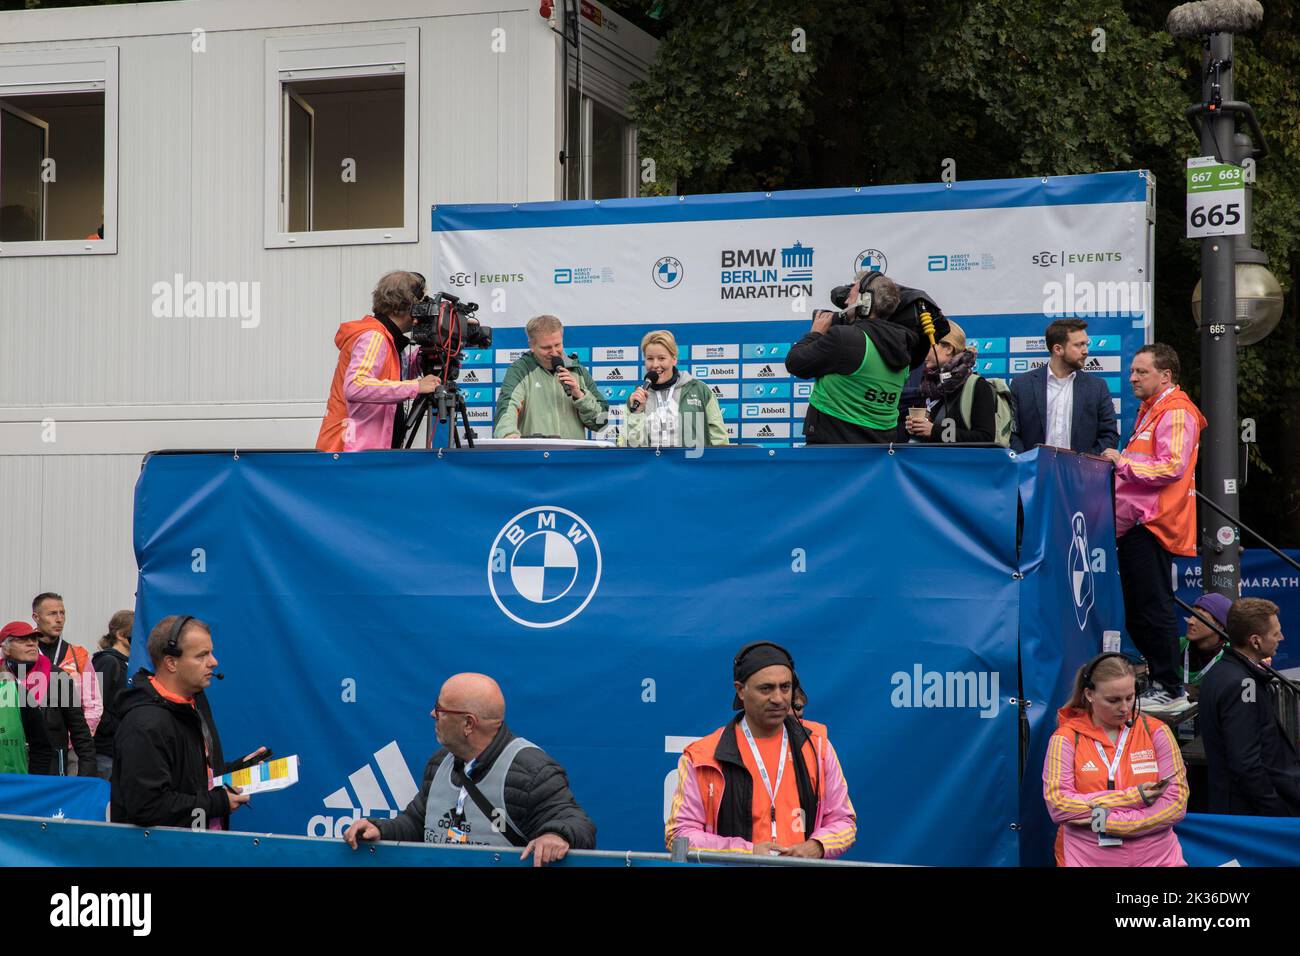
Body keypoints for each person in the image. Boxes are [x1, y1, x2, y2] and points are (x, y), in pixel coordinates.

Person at [343, 673, 596, 866]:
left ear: (468, 723)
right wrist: (380, 829)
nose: (432, 714)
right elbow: (417, 823)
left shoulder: (531, 771)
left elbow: (577, 823)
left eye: (440, 709)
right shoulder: (439, 762)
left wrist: (555, 835)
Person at [665, 642, 856, 857]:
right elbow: (679, 835)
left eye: (785, 687)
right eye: (766, 688)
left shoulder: (817, 746)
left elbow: (844, 821)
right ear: (740, 690)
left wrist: (818, 846)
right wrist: (747, 852)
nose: (778, 698)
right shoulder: (703, 755)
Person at [1101, 345, 1206, 716]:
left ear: (1166, 375)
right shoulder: (1152, 411)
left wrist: (1122, 461)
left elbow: (1173, 467)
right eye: (1131, 371)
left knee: (1154, 606)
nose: (1132, 377)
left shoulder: (1177, 411)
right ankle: (1162, 681)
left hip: (1154, 522)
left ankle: (1170, 686)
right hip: (1135, 522)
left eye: (1141, 371)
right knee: (1137, 610)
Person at [111, 615, 267, 828]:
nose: (214, 662)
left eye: (210, 652)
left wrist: (236, 771)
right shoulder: (145, 723)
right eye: (202, 655)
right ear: (171, 662)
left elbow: (190, 777)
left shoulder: (195, 701)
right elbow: (147, 808)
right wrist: (219, 802)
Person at [1043, 653, 1187, 866]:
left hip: (1157, 859)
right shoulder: (1065, 738)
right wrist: (1132, 797)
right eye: (1113, 700)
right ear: (1089, 694)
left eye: (1130, 697)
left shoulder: (1157, 731)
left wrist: (1111, 822)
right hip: (1088, 859)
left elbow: (1176, 803)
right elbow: (1059, 805)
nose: (1124, 708)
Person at [787, 271, 944, 444]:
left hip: (833, 449)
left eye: (851, 296)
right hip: (878, 450)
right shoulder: (906, 345)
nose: (846, 302)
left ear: (866, 302)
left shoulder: (845, 339)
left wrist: (815, 333)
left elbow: (795, 363)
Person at [316, 271, 441, 452]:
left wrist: (439, 346)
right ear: (407, 305)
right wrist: (415, 387)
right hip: (350, 451)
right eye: (420, 303)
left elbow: (394, 379)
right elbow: (356, 385)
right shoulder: (374, 336)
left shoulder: (389, 338)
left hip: (365, 451)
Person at [1199, 598, 1300, 816]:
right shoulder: (1242, 684)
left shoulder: (1222, 672)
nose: (1281, 638)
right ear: (1255, 641)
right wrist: (1278, 811)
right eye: (1275, 634)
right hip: (1250, 814)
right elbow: (1246, 764)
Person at [1010, 318, 1119, 454]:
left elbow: (1109, 435)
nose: (1086, 351)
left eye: (1086, 344)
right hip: (1033, 472)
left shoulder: (1097, 387)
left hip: (1081, 473)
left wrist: (1083, 465)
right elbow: (1011, 434)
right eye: (1079, 345)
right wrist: (1027, 463)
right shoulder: (1021, 385)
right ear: (1058, 349)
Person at [493, 315, 608, 439]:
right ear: (531, 345)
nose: (553, 352)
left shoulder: (578, 371)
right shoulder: (520, 370)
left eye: (557, 345)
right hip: (534, 455)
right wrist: (508, 434)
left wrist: (579, 395)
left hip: (573, 457)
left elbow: (602, 422)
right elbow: (508, 407)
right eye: (546, 347)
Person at [619, 329, 728, 448]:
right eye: (650, 358)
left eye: (661, 358)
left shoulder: (699, 390)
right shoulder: (636, 397)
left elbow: (720, 441)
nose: (655, 365)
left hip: (691, 465)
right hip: (651, 466)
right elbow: (628, 446)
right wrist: (637, 413)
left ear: (674, 359)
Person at [901, 320, 997, 443]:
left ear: (948, 348)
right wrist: (912, 428)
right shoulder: (926, 382)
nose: (922, 351)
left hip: (958, 462)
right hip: (925, 461)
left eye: (928, 346)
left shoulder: (977, 386)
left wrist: (934, 431)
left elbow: (985, 438)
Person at [32, 592, 102, 738]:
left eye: (62, 613)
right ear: (36, 617)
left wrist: (78, 737)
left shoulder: (78, 655)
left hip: (69, 743)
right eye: (52, 614)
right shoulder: (19, 653)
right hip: (29, 742)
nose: (59, 619)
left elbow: (93, 704)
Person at [0, 622, 54, 775]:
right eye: (23, 640)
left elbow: (42, 746)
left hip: (19, 777)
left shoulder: (56, 676)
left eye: (34, 639)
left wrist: (32, 785)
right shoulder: (5, 680)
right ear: (5, 649)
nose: (31, 644)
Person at [91, 610, 134, 780]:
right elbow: (96, 705)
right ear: (121, 635)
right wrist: (119, 728)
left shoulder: (130, 664)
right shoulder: (107, 661)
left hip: (123, 749)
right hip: (106, 751)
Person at [1180, 592, 1231, 701]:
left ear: (1220, 626)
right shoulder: (1175, 645)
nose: (1191, 621)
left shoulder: (1231, 657)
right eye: (1192, 615)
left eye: (1200, 617)